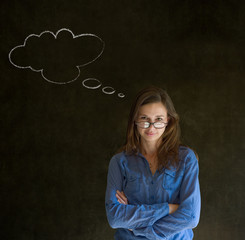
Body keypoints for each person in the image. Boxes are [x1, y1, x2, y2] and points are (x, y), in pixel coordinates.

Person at [105, 86, 201, 240]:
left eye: (158, 120)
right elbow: (115, 218)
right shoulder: (119, 162)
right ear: (135, 120)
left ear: (168, 120)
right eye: (144, 119)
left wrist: (140, 228)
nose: (151, 127)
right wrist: (168, 208)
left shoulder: (186, 159)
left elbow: (191, 217)